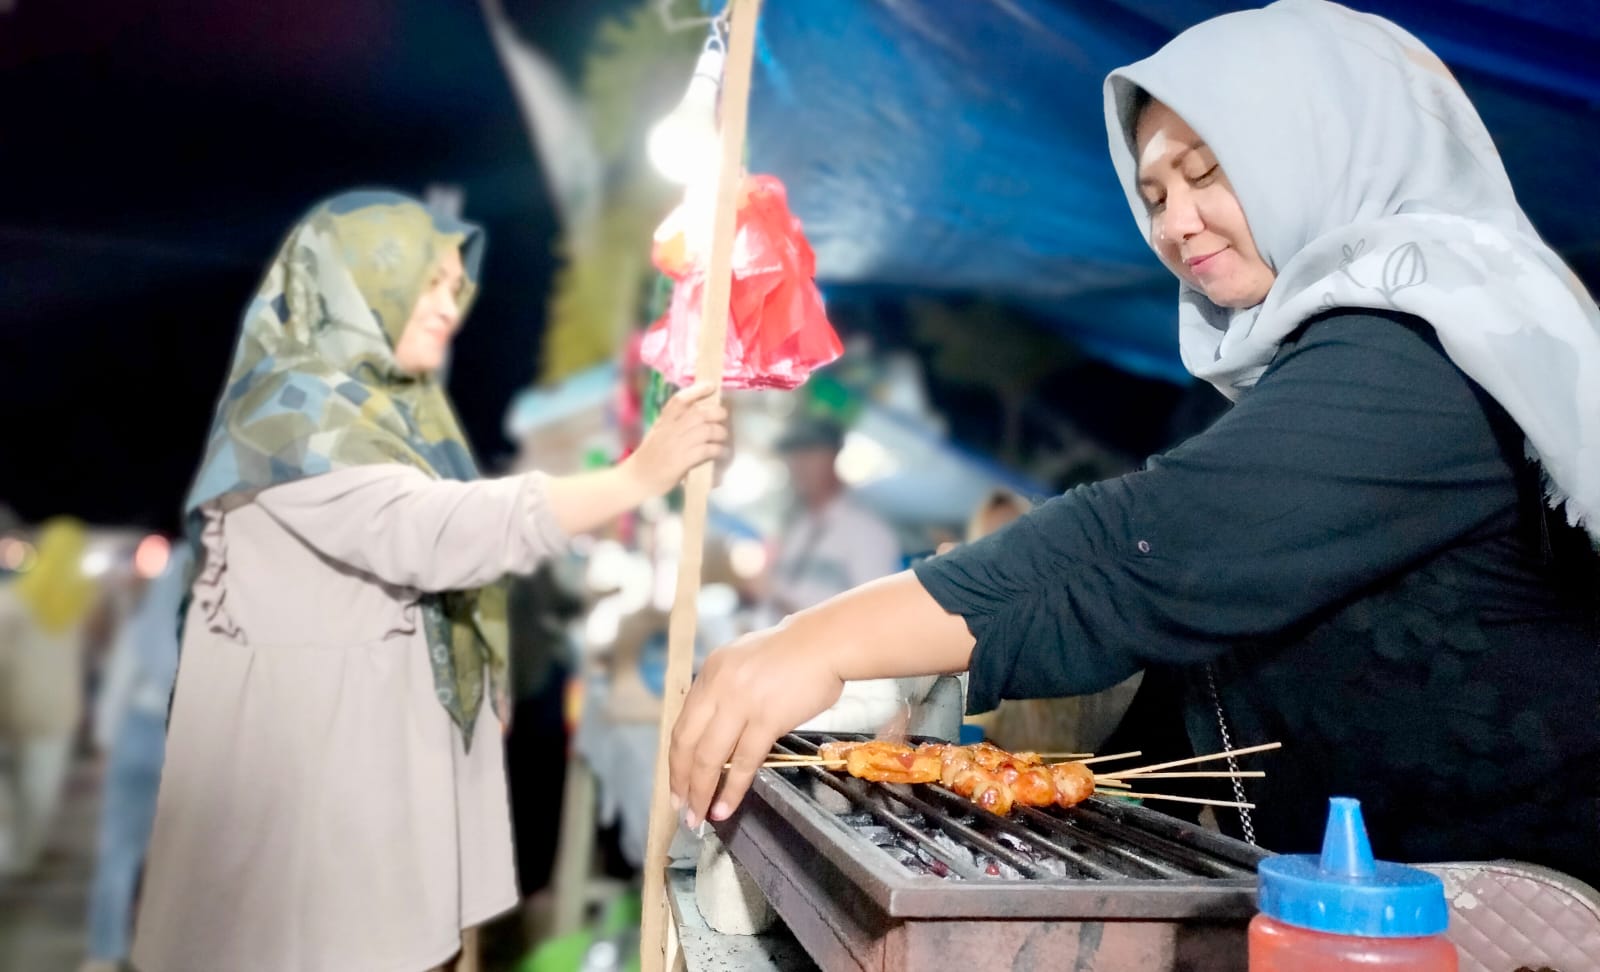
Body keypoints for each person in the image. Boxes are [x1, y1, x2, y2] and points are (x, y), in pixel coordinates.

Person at [669, 0, 1600, 885]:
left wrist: (818, 644)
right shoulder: (1318, 367)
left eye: (1204, 174)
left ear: (1319, 148)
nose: (1174, 222)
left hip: (1530, 916)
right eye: (1153, 192)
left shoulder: (1425, 350)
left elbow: (1152, 549)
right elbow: (1224, 630)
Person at [129, 190, 726, 972]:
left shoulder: (388, 416)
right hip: (308, 833)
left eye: (455, 285)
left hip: (361, 810)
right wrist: (635, 478)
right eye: (429, 282)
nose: (451, 305)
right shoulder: (292, 418)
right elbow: (431, 533)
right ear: (359, 282)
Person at [79, 544, 189, 972]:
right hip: (190, 742)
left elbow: (118, 688)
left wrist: (106, 747)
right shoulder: (221, 630)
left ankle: (104, 952)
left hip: (140, 733)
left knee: (119, 852)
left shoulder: (147, 624)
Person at [0, 517, 99, 878]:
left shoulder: (13, 599)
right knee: (39, 793)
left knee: (13, 791)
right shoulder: (80, 605)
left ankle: (14, 858)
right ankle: (22, 857)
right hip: (57, 714)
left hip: (14, 710)